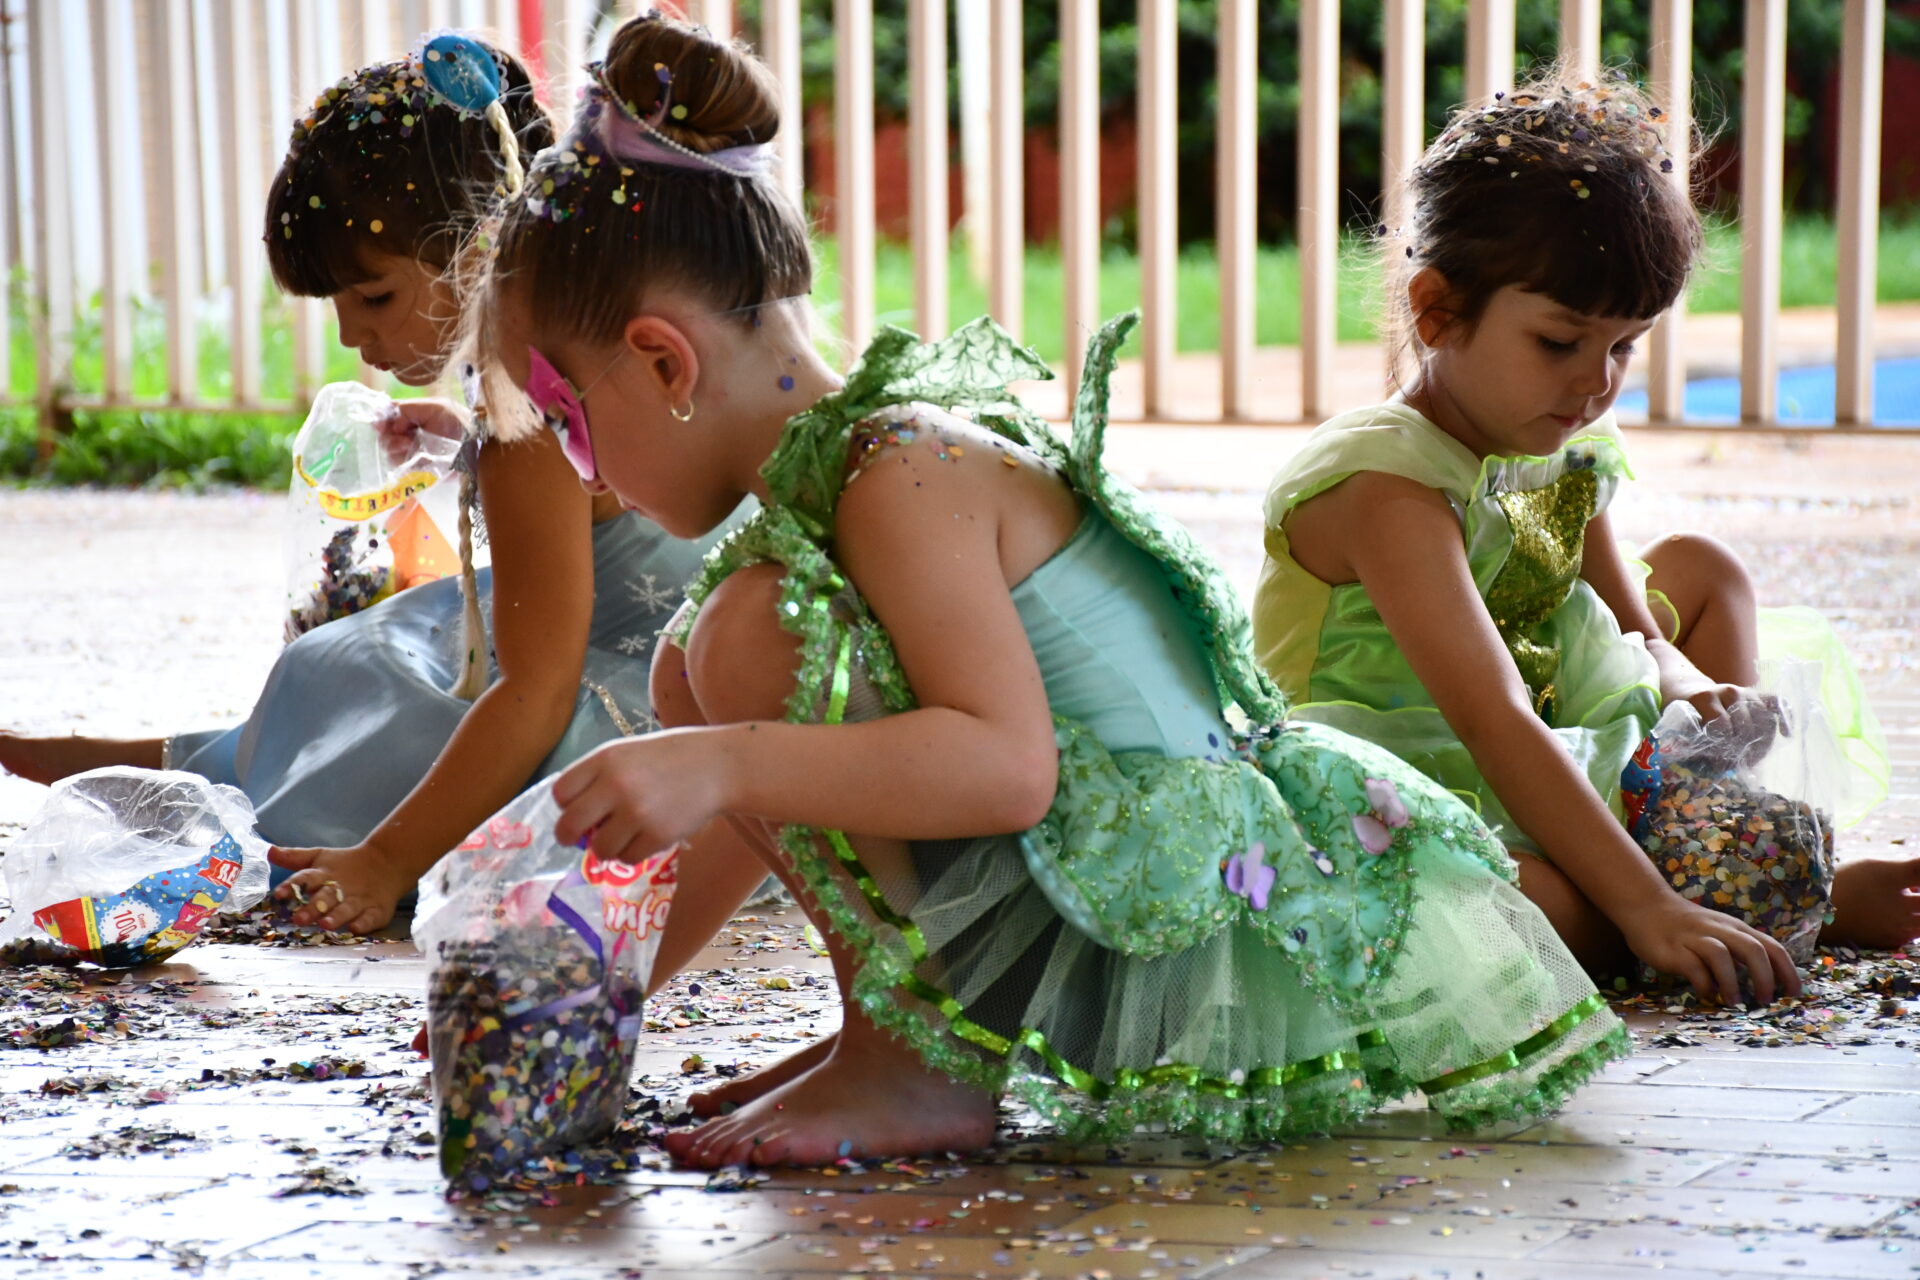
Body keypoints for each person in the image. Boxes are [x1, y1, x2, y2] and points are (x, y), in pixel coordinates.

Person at [476, 13, 1636, 1169]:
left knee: (737, 639)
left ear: (666, 362)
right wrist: (592, 993)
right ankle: (891, 1036)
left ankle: (915, 1058)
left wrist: (719, 758)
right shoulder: (845, 479)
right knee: (703, 658)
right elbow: (777, 807)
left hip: (1178, 915)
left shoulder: (899, 472)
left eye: (571, 424)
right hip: (1091, 882)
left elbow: (1004, 765)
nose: (586, 472)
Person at [0, 34, 747, 937]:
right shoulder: (559, 336)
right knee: (353, 659)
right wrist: (462, 440)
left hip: (637, 689)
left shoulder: (525, 411)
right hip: (608, 630)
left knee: (391, 709)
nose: (355, 337)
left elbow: (539, 692)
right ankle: (187, 764)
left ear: (477, 249)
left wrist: (388, 859)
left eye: (376, 297)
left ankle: (223, 785)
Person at [1251, 70, 1914, 988]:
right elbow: (1490, 720)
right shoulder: (1385, 485)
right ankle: (1724, 901)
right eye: (1561, 343)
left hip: (1562, 707)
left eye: (1623, 345)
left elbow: (1627, 616)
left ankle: (1726, 869)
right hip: (1406, 767)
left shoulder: (1564, 438)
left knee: (1706, 572)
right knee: (1545, 918)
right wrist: (1642, 906)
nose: (1597, 382)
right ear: (1437, 311)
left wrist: (1680, 674)